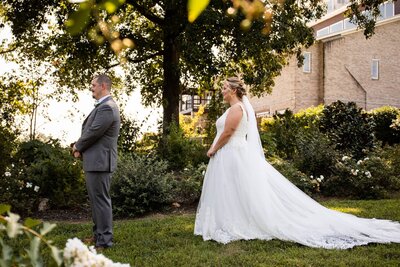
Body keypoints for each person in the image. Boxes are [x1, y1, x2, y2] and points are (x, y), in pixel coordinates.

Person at [194, 77, 400, 249]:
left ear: (234, 90)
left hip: (232, 152)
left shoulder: (237, 109)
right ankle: (232, 220)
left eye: (224, 88)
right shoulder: (236, 108)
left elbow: (229, 133)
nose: (221, 91)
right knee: (233, 190)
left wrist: (213, 149)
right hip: (231, 154)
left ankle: (239, 223)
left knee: (235, 188)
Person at [72, 74, 121, 249]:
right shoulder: (104, 106)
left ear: (103, 86)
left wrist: (78, 146)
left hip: (100, 162)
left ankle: (105, 240)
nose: (91, 88)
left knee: (101, 201)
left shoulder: (107, 107)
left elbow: (93, 131)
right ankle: (98, 235)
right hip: (96, 161)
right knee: (96, 201)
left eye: (93, 85)